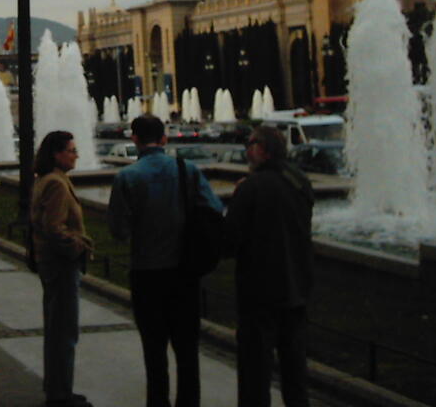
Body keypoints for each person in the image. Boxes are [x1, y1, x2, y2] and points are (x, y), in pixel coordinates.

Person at [107, 114, 223, 407]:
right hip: (184, 272)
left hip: (146, 274)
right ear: (164, 138)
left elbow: (118, 231)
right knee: (187, 352)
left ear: (133, 140)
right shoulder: (188, 171)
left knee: (154, 351)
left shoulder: (126, 178)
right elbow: (213, 209)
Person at [225, 125, 314, 407]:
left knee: (255, 373)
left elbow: (230, 240)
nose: (247, 149)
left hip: (259, 292)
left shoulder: (250, 187)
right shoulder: (299, 181)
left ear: (262, 149)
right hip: (296, 287)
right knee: (295, 369)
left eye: (250, 143)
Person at [30, 130, 94, 407]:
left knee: (58, 328)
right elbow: (54, 228)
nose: (76, 154)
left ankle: (57, 387)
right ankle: (60, 394)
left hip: (52, 264)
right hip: (61, 266)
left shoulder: (49, 180)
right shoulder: (56, 183)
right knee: (64, 331)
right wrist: (79, 245)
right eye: (71, 150)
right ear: (57, 154)